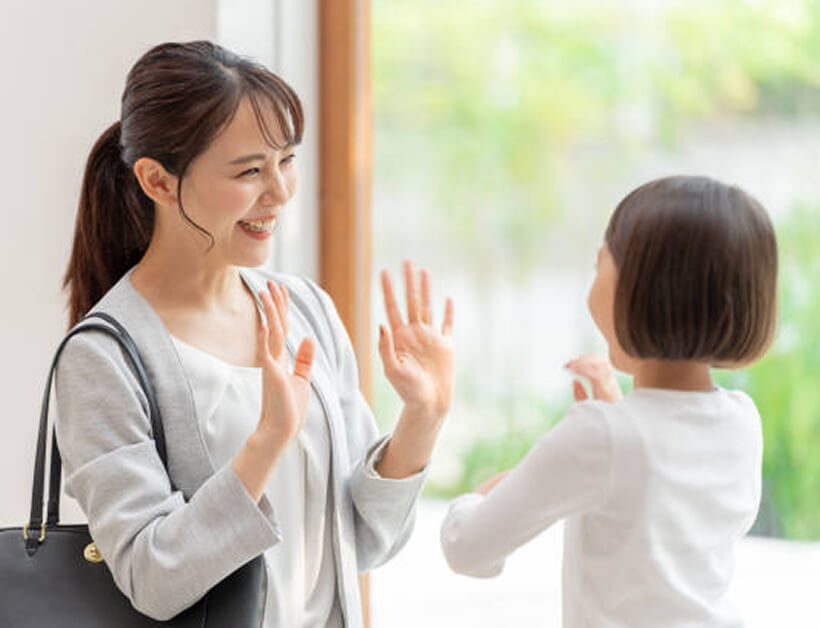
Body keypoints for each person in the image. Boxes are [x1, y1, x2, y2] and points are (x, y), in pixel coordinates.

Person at [55, 40, 455, 627]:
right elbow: (151, 577)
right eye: (249, 171)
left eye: (286, 160)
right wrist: (268, 439)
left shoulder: (306, 310)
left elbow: (365, 543)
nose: (280, 191)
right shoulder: (102, 357)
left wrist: (422, 417)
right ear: (157, 181)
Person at [440, 175, 777, 627]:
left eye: (601, 262)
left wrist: (479, 496)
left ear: (639, 291)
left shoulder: (600, 434)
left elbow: (468, 548)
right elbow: (663, 520)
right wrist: (620, 416)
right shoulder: (741, 422)